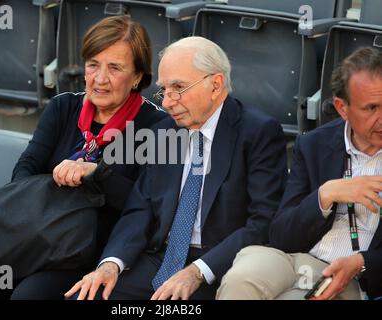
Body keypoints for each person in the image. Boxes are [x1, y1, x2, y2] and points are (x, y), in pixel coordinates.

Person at [0, 15, 166, 300]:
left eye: (115, 68)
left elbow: (150, 207)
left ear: (138, 77)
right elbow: (25, 170)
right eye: (93, 65)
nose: (100, 79)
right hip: (35, 240)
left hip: (90, 252)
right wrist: (39, 215)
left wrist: (94, 175)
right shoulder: (63, 107)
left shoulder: (157, 127)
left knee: (28, 296)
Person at [64, 36, 287, 300]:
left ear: (215, 85)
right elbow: (141, 208)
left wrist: (197, 271)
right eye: (164, 90)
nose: (167, 102)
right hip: (160, 257)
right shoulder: (164, 132)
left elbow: (262, 221)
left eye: (178, 88)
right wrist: (111, 264)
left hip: (218, 265)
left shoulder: (257, 132)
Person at [216, 47, 382, 300]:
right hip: (293, 259)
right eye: (371, 108)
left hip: (356, 278)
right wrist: (325, 195)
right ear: (342, 108)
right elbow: (281, 235)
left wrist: (362, 262)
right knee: (241, 280)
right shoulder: (314, 145)